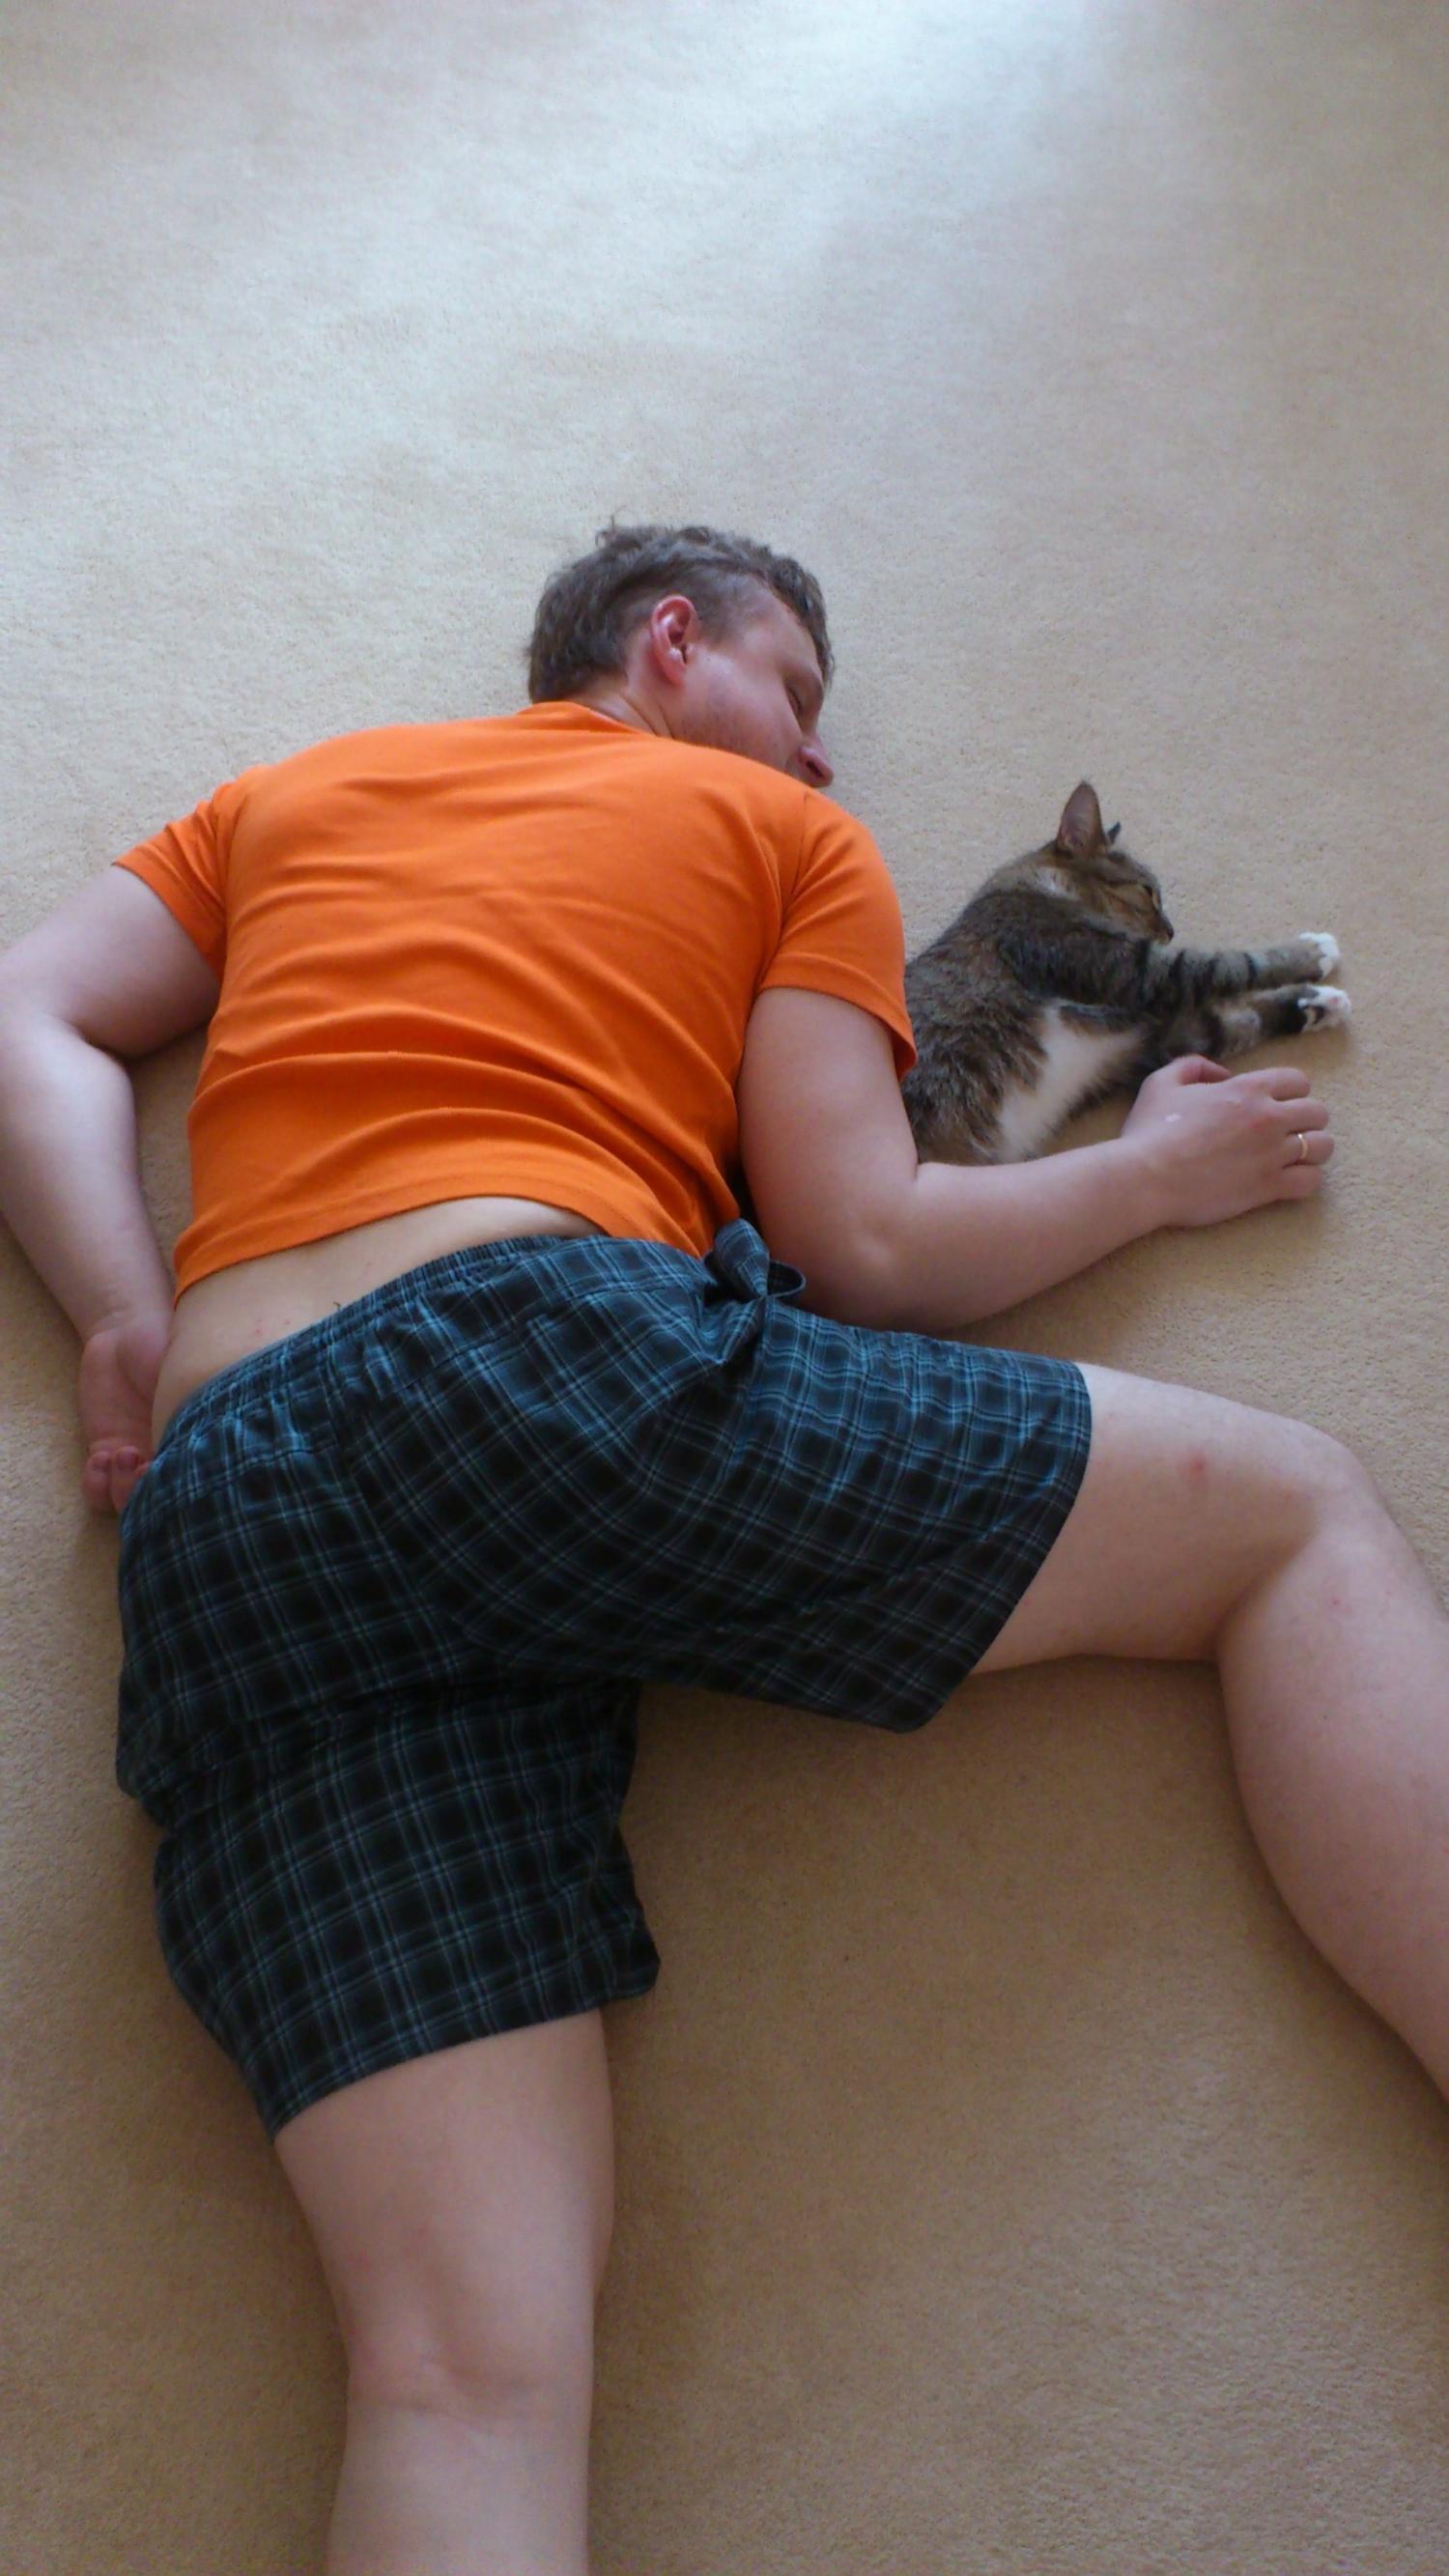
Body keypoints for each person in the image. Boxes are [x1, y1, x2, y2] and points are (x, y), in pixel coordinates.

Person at [0, 520, 1444, 2576]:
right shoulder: (776, 832)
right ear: (672, 642)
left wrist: (119, 1309)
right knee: (1292, 1514)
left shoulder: (288, 796)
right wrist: (1154, 1174)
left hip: (228, 1510)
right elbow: (866, 1241)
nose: (826, 759)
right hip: (541, 1355)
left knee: (461, 2380)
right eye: (802, 694)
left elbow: (31, 1014)